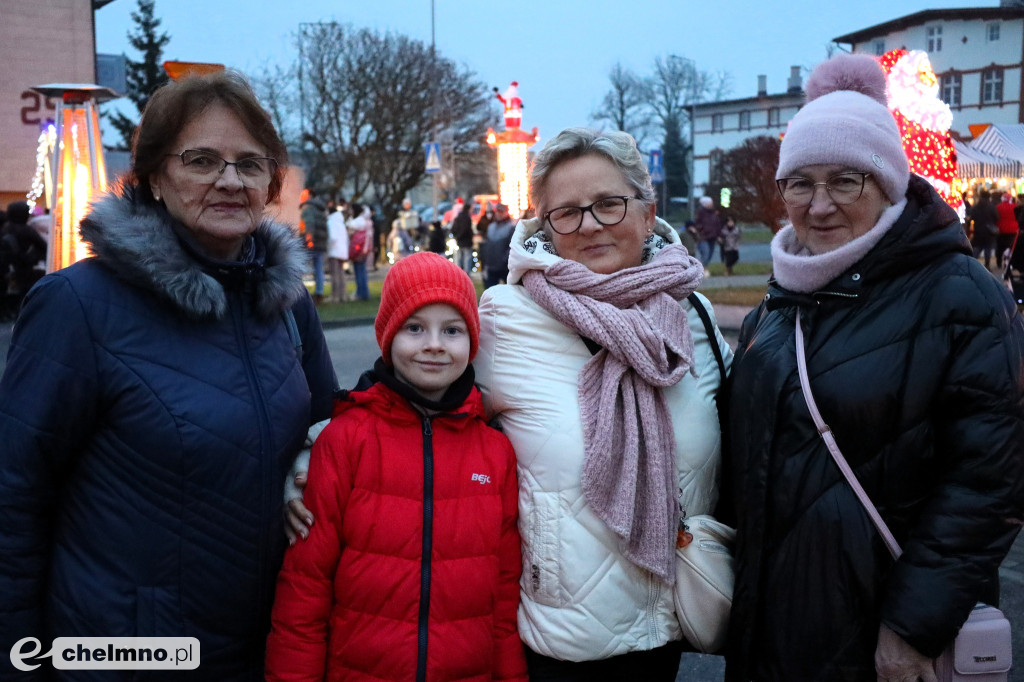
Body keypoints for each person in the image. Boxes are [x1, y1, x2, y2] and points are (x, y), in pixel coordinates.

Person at [0, 70, 337, 680]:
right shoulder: (77, 305)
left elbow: (330, 431)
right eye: (202, 160)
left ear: (269, 182)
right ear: (155, 177)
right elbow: (13, 498)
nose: (230, 180)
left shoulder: (288, 304)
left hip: (269, 646)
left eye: (250, 163)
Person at [725, 53, 1024, 682]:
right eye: (799, 182)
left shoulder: (959, 294)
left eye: (846, 180)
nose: (820, 204)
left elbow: (989, 480)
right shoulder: (778, 306)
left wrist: (915, 623)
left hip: (888, 633)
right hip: (774, 623)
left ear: (888, 182)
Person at [474, 127, 732, 680]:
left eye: (609, 204)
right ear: (545, 226)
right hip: (561, 642)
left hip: (671, 620)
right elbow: (424, 413)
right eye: (567, 213)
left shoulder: (695, 316)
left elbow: (761, 429)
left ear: (646, 211)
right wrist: (317, 453)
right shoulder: (504, 318)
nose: (589, 224)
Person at [265, 252, 527, 682]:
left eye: (453, 330)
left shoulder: (494, 453)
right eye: (415, 327)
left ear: (472, 342)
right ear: (388, 336)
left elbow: (503, 599)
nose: (435, 344)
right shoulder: (346, 441)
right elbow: (304, 592)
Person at [0, 201, 47, 320]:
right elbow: (43, 246)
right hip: (25, 266)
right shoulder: (27, 230)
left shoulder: (5, 228)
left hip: (7, 266)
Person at [301, 187, 329, 303]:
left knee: (299, 268)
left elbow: (310, 223)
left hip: (310, 243)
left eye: (304, 194)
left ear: (309, 196)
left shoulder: (308, 208)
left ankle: (300, 296)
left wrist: (309, 238)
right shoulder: (320, 209)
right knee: (318, 269)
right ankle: (319, 293)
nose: (301, 196)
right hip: (320, 242)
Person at [481, 202, 515, 288]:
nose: (499, 214)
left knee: (510, 292)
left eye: (501, 212)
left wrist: (505, 261)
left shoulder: (511, 227)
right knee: (490, 292)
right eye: (497, 211)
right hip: (491, 266)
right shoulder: (491, 227)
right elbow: (487, 245)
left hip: (505, 267)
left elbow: (512, 248)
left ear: (506, 213)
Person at [346, 202, 374, 301]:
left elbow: (349, 227)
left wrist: (349, 218)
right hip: (364, 249)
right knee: (362, 271)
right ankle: (364, 292)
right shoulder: (367, 222)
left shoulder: (357, 222)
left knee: (359, 271)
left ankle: (361, 293)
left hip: (357, 250)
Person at [968, 189, 999, 270]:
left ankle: (972, 263)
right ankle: (987, 264)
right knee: (987, 248)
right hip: (988, 230)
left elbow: (972, 217)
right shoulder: (991, 206)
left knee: (978, 247)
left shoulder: (976, 206)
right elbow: (997, 217)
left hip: (978, 229)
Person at [326, 199, 349, 302]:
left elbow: (332, 238)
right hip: (342, 251)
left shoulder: (331, 222)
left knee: (335, 274)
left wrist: (328, 246)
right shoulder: (341, 222)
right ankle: (343, 295)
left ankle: (335, 296)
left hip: (334, 251)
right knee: (341, 274)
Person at [693, 195, 722, 271]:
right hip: (703, 238)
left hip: (713, 237)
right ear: (705, 204)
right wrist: (702, 230)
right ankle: (702, 270)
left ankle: (703, 268)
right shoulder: (700, 213)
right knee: (705, 254)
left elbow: (718, 225)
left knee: (710, 254)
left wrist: (718, 235)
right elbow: (697, 224)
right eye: (710, 203)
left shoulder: (714, 213)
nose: (711, 204)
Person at [450, 200, 475, 275]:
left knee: (459, 259)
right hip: (466, 241)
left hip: (459, 241)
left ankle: (459, 274)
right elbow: (465, 229)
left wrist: (456, 236)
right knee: (467, 259)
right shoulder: (467, 217)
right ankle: (466, 275)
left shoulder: (458, 217)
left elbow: (453, 228)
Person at [389, 198, 418, 263]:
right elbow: (408, 242)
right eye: (406, 204)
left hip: (399, 253)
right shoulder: (401, 216)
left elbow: (389, 241)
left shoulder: (411, 213)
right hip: (403, 253)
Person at [996, 192, 1018, 270]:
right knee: (1011, 247)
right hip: (1013, 230)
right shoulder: (1015, 207)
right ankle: (1009, 263)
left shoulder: (998, 207)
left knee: (1000, 247)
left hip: (1001, 230)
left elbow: (996, 218)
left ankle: (999, 262)